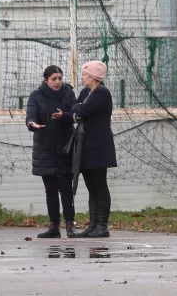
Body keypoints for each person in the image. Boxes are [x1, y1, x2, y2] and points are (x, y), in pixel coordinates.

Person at [26, 65, 78, 238]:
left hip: (65, 147)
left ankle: (70, 224)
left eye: (60, 78)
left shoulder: (68, 93)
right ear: (45, 80)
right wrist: (32, 124)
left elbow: (75, 114)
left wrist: (63, 115)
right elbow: (31, 115)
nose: (57, 82)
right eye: (54, 79)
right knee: (50, 189)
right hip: (45, 147)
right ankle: (54, 226)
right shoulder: (36, 95)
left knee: (66, 187)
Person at [69, 61, 116, 238]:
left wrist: (78, 111)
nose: (82, 77)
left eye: (84, 74)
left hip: (99, 145)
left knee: (99, 184)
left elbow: (82, 110)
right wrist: (77, 111)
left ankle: (102, 225)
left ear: (94, 76)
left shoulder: (102, 93)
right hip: (85, 145)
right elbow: (75, 108)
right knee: (91, 187)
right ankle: (93, 224)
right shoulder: (85, 92)